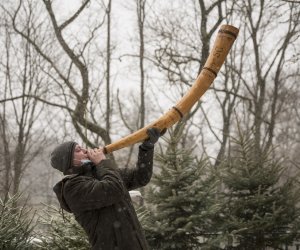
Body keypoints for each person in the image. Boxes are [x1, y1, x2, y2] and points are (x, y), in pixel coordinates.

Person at [50, 128, 162, 250]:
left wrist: (147, 147)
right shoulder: (72, 188)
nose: (85, 150)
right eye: (78, 150)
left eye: (82, 147)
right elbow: (113, 189)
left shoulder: (101, 173)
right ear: (68, 162)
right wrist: (102, 162)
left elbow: (141, 177)